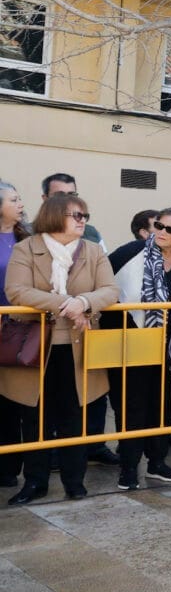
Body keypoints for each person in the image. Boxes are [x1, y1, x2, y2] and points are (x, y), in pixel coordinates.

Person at [2, 193, 120, 503]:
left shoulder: (93, 250)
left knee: (75, 416)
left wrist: (84, 301)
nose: (83, 221)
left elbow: (110, 290)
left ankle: (74, 481)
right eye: (76, 215)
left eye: (84, 215)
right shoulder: (27, 248)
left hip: (79, 345)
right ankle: (35, 482)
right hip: (36, 345)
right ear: (54, 216)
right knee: (35, 417)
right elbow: (16, 291)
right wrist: (67, 304)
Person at [105, 207, 171, 490]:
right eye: (159, 225)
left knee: (162, 406)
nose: (161, 232)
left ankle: (157, 462)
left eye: (170, 229)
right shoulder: (130, 253)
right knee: (131, 407)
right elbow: (104, 287)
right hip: (132, 343)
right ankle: (128, 467)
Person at [0, 181, 31, 487]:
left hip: (19, 330)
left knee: (12, 399)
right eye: (13, 199)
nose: (21, 204)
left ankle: (8, 468)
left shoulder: (28, 237)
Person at [41, 173, 104, 248]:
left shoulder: (91, 234)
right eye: (60, 195)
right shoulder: (30, 234)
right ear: (45, 199)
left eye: (71, 195)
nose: (67, 200)